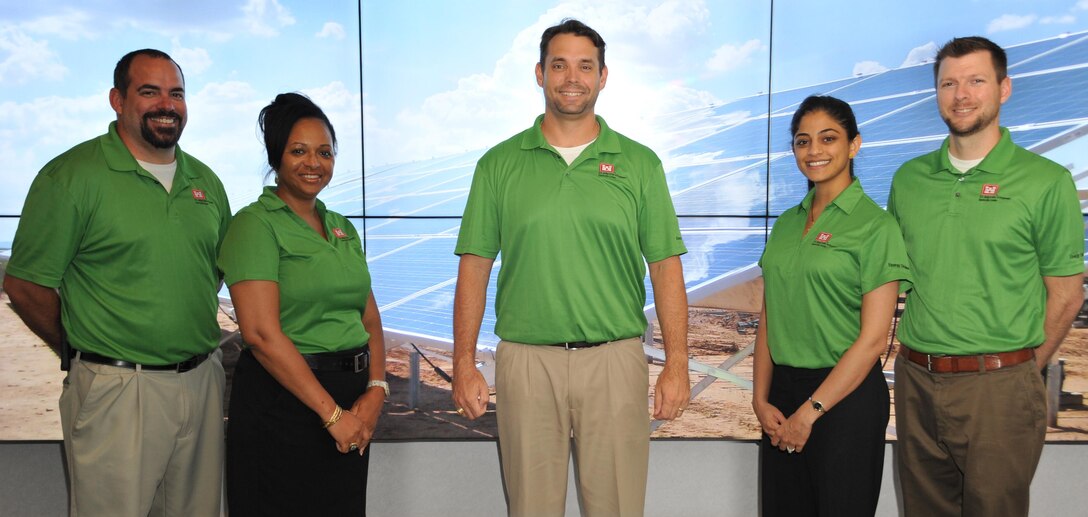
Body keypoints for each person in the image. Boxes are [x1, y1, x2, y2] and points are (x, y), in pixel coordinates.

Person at [451, 18, 690, 517]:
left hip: (615, 361)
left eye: (585, 65)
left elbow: (666, 267)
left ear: (604, 77)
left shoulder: (640, 164)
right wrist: (463, 361)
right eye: (559, 65)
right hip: (525, 363)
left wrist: (677, 364)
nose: (572, 77)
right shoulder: (497, 165)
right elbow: (474, 267)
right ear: (539, 74)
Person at [2, 49, 230, 516]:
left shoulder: (205, 181)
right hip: (119, 389)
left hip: (202, 384)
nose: (166, 104)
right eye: (149, 92)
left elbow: (219, 271)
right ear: (117, 100)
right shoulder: (71, 178)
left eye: (177, 93)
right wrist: (75, 348)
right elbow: (25, 285)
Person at [888, 36, 1084, 517]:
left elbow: (1066, 294)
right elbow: (894, 280)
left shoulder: (1045, 181)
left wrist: (1016, 371)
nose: (961, 95)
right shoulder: (908, 180)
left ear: (1004, 88)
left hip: (999, 387)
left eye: (976, 80)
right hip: (915, 379)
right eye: (948, 83)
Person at [217, 92, 388, 516]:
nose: (314, 162)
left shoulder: (341, 227)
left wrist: (376, 391)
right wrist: (333, 416)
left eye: (324, 152)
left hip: (350, 402)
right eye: (299, 151)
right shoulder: (254, 226)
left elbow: (369, 319)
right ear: (276, 157)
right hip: (284, 406)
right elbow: (260, 334)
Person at [753, 95, 911, 516]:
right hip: (782, 395)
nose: (814, 151)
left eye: (828, 138)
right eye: (803, 141)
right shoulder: (787, 222)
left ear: (853, 145)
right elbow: (772, 315)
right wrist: (759, 398)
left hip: (845, 400)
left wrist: (811, 412)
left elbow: (874, 339)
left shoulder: (876, 227)